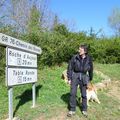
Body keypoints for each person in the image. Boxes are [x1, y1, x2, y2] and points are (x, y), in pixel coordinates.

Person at [67, 44, 93, 117]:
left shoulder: (89, 58)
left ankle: (84, 110)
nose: (79, 51)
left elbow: (91, 69)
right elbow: (70, 67)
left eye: (80, 50)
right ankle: (72, 110)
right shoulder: (74, 57)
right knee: (73, 93)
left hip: (84, 76)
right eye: (79, 49)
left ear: (85, 51)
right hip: (75, 76)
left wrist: (90, 79)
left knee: (84, 94)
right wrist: (69, 78)